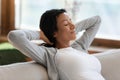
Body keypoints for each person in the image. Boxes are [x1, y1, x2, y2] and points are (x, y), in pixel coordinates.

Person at [8, 9, 105, 80]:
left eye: (71, 21)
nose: (73, 25)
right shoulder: (49, 54)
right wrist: (41, 34)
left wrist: (71, 28)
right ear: (54, 33)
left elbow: (96, 20)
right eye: (66, 24)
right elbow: (14, 36)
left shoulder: (79, 47)